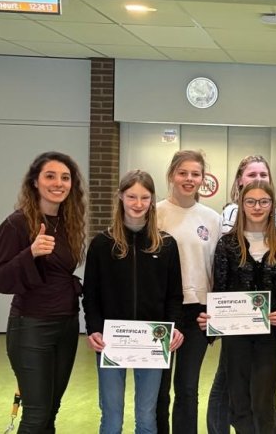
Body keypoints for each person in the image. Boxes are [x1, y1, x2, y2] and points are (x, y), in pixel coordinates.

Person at [0, 151, 87, 433]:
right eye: (50, 176)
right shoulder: (16, 224)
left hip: (66, 324)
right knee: (36, 414)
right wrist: (29, 253)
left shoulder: (68, 222)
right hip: (31, 326)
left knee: (51, 411)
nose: (58, 183)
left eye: (65, 178)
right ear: (35, 181)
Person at [83, 170, 185, 434]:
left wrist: (174, 327)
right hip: (111, 340)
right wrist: (93, 329)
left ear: (152, 200)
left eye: (144, 197)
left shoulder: (166, 245)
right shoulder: (102, 244)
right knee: (112, 416)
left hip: (152, 341)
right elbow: (91, 294)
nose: (138, 204)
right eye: (131, 197)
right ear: (120, 197)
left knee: (147, 416)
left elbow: (174, 295)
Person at [199, 180, 276, 433]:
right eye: (251, 201)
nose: (257, 207)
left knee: (264, 402)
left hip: (270, 335)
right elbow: (220, 290)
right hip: (236, 336)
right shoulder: (227, 244)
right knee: (239, 402)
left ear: (272, 205)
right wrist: (212, 320)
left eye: (263, 202)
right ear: (242, 205)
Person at [208, 154, 276, 434]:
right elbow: (224, 281)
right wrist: (217, 318)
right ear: (240, 182)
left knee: (262, 396)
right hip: (235, 325)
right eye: (252, 175)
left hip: (267, 330)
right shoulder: (229, 223)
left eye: (263, 175)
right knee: (231, 391)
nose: (257, 206)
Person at [156, 150, 222, 434]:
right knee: (159, 389)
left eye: (195, 174)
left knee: (187, 387)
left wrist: (216, 314)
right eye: (183, 173)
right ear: (172, 175)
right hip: (161, 312)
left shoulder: (212, 219)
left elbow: (218, 270)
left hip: (198, 314)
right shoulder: (154, 214)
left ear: (203, 179)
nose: (189, 179)